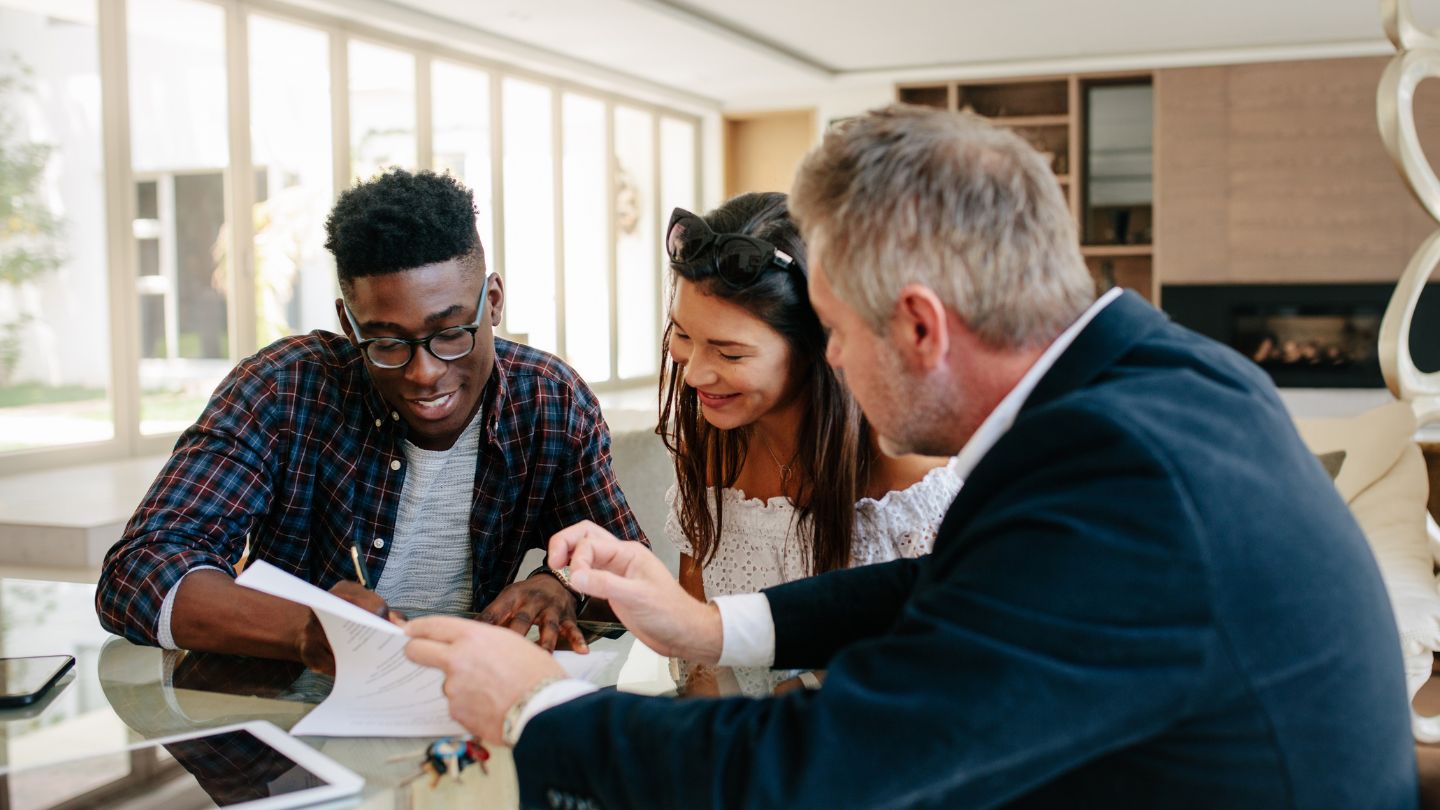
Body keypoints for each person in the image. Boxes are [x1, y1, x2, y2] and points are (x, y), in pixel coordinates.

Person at [405, 107, 1416, 808]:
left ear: (922, 327)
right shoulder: (1162, 377)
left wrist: (535, 711)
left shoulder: (1126, 480)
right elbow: (968, 585)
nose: (834, 363)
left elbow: (828, 777)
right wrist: (712, 624)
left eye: (837, 334)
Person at [97, 169, 643, 673]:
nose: (426, 373)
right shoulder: (284, 388)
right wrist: (306, 632)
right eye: (385, 342)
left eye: (451, 332)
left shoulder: (548, 400)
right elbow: (138, 571)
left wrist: (561, 582)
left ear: (492, 303)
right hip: (294, 711)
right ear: (348, 323)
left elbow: (629, 569)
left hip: (466, 702)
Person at [659, 192, 959, 695]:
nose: (694, 374)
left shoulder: (903, 468)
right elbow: (701, 657)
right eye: (683, 335)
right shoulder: (715, 445)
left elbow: (941, 666)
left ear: (820, 349)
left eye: (729, 353)